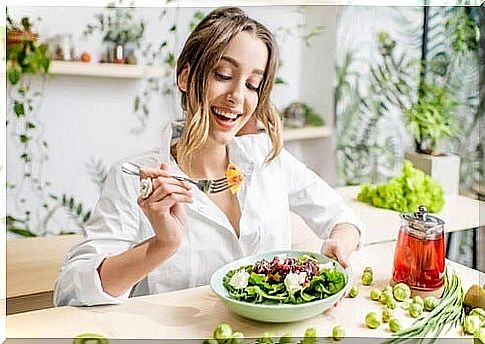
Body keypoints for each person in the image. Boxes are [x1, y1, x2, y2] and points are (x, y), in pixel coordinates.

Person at [54, 6, 365, 306]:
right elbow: (71, 291)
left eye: (252, 84)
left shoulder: (267, 157)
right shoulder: (135, 178)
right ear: (186, 77)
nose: (238, 97)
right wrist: (162, 245)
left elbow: (341, 217)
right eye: (223, 74)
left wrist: (341, 242)